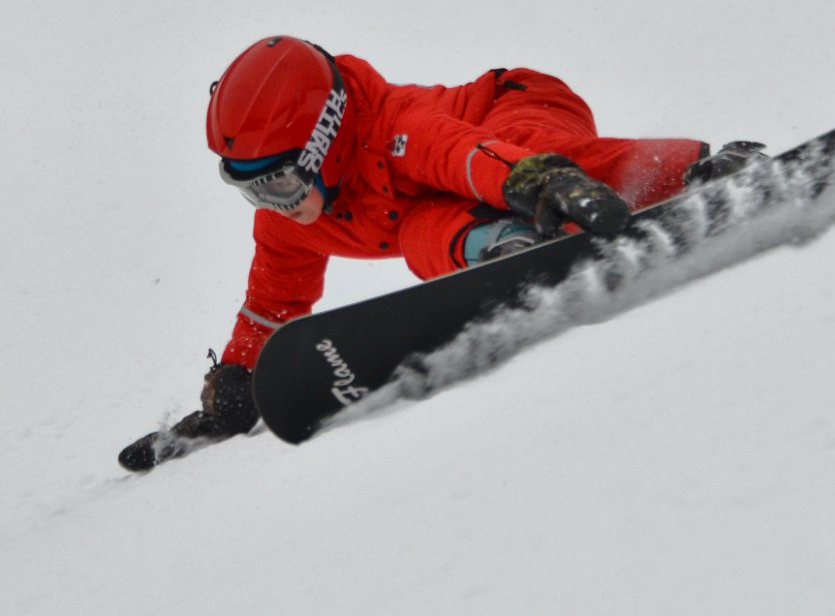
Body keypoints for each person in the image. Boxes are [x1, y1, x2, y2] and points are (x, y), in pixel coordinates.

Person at [119, 35, 766, 470]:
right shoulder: (290, 222)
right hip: (471, 191)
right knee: (422, 234)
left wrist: (536, 179)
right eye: (251, 191)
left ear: (325, 144)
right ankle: (508, 248)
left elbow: (465, 155)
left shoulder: (396, 126)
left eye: (281, 182)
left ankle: (700, 172)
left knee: (530, 151)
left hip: (512, 108)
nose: (275, 204)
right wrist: (238, 382)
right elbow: (272, 302)